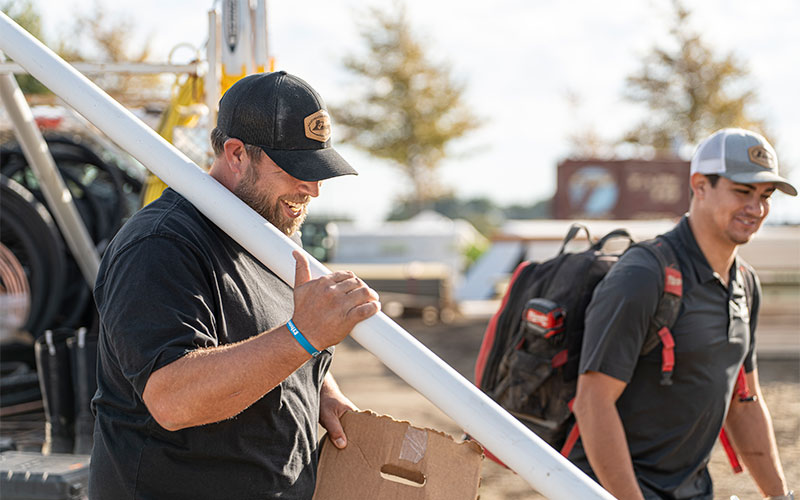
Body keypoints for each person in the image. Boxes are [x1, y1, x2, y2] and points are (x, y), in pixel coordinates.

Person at [89, 71, 380, 499]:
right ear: (237, 153)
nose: (313, 190)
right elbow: (173, 397)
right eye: (296, 170)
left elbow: (268, 343)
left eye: (319, 171)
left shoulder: (270, 239)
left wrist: (320, 393)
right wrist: (304, 336)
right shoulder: (161, 245)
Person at [572, 128, 796, 500]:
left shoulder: (745, 283)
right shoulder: (644, 275)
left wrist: (780, 496)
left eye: (765, 196)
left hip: (692, 491)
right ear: (700, 185)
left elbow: (744, 403)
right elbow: (592, 403)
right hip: (611, 491)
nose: (756, 208)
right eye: (742, 191)